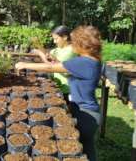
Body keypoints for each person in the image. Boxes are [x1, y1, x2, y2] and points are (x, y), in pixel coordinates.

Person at [15, 26, 102, 161]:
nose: (73, 45)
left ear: (81, 43)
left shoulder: (84, 62)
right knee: (87, 148)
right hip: (87, 110)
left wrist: (25, 64)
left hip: (86, 114)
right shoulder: (90, 60)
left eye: (74, 41)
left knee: (81, 150)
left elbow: (50, 68)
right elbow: (63, 66)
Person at [33, 26, 76, 95]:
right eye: (53, 39)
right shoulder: (58, 49)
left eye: (56, 39)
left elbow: (52, 66)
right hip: (60, 86)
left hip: (68, 89)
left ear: (65, 37)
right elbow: (47, 56)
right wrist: (39, 45)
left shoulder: (70, 51)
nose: (54, 41)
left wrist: (39, 53)